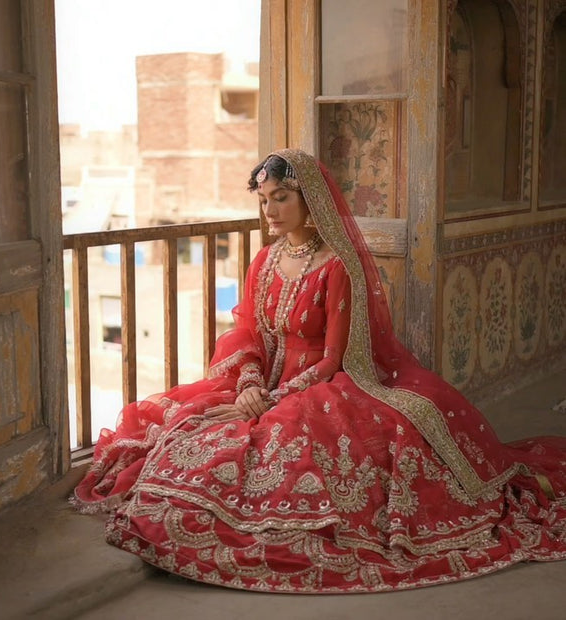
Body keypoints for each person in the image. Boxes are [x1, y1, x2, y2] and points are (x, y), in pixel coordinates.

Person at [73, 148, 566, 593]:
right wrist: (247, 383)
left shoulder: (337, 267)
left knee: (279, 459)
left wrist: (277, 396)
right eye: (264, 199)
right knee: (183, 441)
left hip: (324, 386)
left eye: (281, 198)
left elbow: (333, 358)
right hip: (261, 382)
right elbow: (247, 330)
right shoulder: (264, 261)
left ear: (311, 201)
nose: (269, 211)